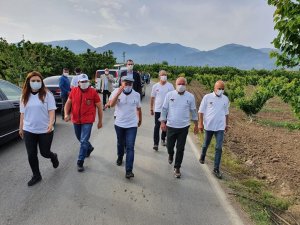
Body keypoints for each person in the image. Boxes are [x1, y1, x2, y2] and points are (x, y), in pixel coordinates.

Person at [19, 71, 59, 186]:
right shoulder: (24, 96)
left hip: (45, 130)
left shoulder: (47, 94)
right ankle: (36, 175)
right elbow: (22, 113)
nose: (35, 83)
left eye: (38, 81)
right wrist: (20, 128)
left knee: (45, 153)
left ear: (41, 82)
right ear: (28, 82)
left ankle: (53, 156)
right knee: (31, 154)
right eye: (33, 81)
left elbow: (51, 111)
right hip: (29, 130)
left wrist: (51, 124)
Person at [160, 77, 198, 178]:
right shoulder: (169, 95)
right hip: (171, 125)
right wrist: (162, 122)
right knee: (169, 146)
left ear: (186, 85)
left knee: (180, 148)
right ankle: (171, 154)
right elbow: (164, 109)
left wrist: (196, 124)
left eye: (183, 84)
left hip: (184, 127)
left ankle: (177, 167)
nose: (181, 86)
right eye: (179, 84)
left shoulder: (190, 97)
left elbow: (193, 111)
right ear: (176, 84)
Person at [64, 74, 103, 172]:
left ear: (89, 82)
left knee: (83, 140)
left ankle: (80, 161)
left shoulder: (93, 92)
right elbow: (68, 103)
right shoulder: (74, 91)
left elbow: (99, 107)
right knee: (80, 138)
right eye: (82, 82)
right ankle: (89, 148)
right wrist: (66, 114)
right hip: (76, 119)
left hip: (88, 120)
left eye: (86, 81)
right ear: (78, 83)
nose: (84, 83)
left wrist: (100, 121)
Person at [109, 76, 142, 179]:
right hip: (119, 124)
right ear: (121, 83)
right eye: (126, 83)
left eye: (130, 84)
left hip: (132, 125)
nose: (128, 85)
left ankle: (129, 170)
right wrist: (118, 93)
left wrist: (140, 119)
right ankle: (120, 156)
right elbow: (111, 105)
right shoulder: (115, 92)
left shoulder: (136, 95)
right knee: (120, 143)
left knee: (130, 147)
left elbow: (138, 108)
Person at [198, 80, 229, 179]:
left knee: (219, 147)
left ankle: (216, 169)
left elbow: (226, 113)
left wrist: (226, 124)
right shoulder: (207, 97)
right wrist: (200, 123)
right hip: (209, 126)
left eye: (223, 89)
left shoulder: (225, 99)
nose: (221, 90)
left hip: (220, 127)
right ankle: (203, 155)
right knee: (206, 144)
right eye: (219, 88)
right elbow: (201, 111)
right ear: (214, 88)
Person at [150, 70, 174, 150]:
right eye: (162, 75)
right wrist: (151, 108)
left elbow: (173, 98)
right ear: (159, 76)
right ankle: (155, 143)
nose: (164, 76)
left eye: (165, 75)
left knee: (166, 126)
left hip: (168, 110)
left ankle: (163, 138)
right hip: (158, 109)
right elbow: (152, 98)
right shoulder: (155, 86)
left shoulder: (170, 86)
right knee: (157, 126)